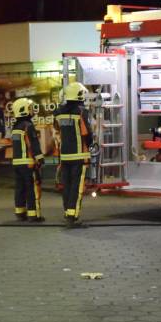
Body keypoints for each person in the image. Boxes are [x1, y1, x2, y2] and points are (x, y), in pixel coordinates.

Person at [54, 82, 92, 228]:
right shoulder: (81, 111)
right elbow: (87, 133)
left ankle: (67, 212)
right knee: (76, 187)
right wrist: (90, 146)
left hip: (64, 156)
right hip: (79, 156)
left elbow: (57, 128)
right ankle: (72, 217)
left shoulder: (58, 112)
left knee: (67, 186)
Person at [11, 97, 45, 222]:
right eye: (29, 108)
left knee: (19, 188)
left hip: (17, 163)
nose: (32, 110)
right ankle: (33, 215)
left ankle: (20, 212)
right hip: (28, 163)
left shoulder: (15, 128)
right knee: (31, 188)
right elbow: (34, 143)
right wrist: (40, 158)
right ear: (23, 110)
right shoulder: (28, 126)